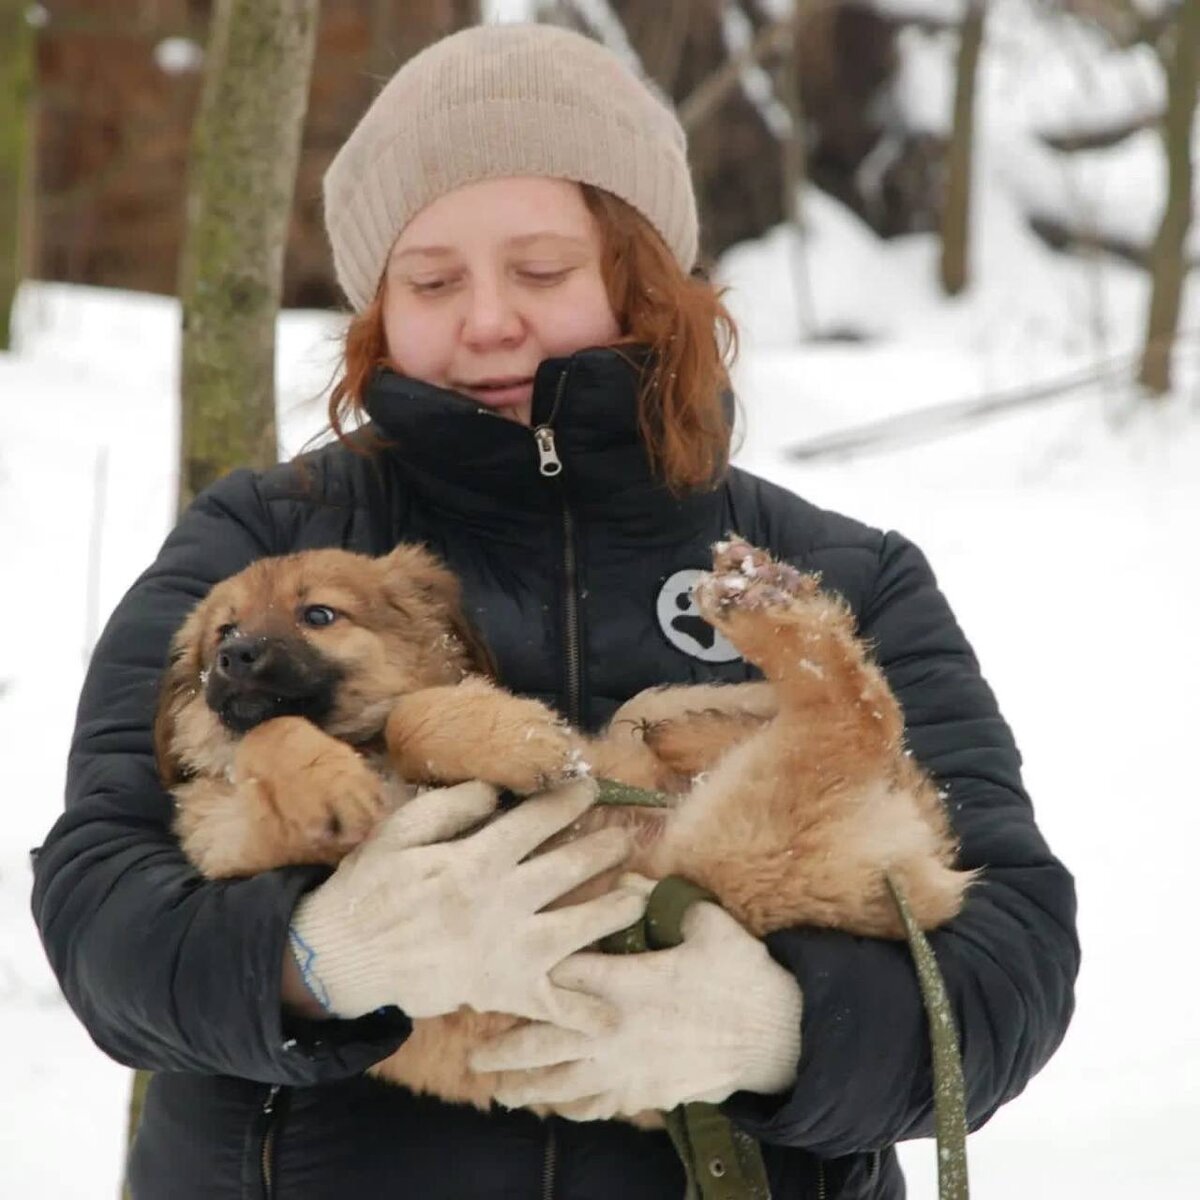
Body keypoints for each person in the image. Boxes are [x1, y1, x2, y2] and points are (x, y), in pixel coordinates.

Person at [31, 22, 1078, 1200]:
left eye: (541, 272)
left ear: (641, 279)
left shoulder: (839, 574)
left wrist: (784, 1032)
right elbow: (98, 903)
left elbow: (1015, 958)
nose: (486, 322)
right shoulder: (265, 542)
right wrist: (312, 963)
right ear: (378, 304)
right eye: (431, 281)